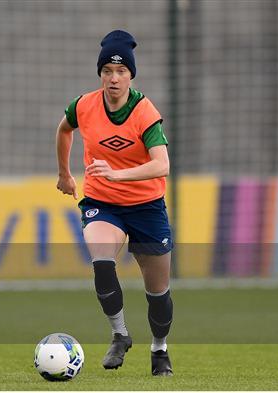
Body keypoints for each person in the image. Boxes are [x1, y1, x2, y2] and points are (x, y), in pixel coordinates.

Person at [56, 30, 174, 376]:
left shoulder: (144, 111)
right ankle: (120, 335)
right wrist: (64, 174)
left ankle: (159, 349)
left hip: (146, 206)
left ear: (131, 75)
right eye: (107, 70)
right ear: (100, 74)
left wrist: (119, 174)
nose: (113, 78)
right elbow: (64, 130)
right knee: (102, 261)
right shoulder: (84, 105)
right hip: (102, 202)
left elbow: (162, 164)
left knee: (158, 293)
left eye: (121, 72)